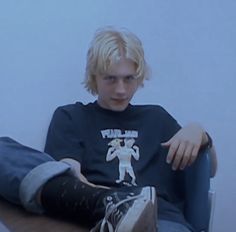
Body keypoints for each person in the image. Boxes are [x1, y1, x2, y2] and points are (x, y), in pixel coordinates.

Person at [0, 26, 217, 232]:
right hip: (95, 215)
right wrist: (107, 199)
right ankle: (112, 204)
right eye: (110, 79)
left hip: (160, 217)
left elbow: (208, 170)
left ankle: (121, 206)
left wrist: (200, 135)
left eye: (128, 79)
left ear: (139, 77)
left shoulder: (157, 118)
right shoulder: (71, 116)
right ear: (94, 76)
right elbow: (68, 174)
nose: (121, 90)